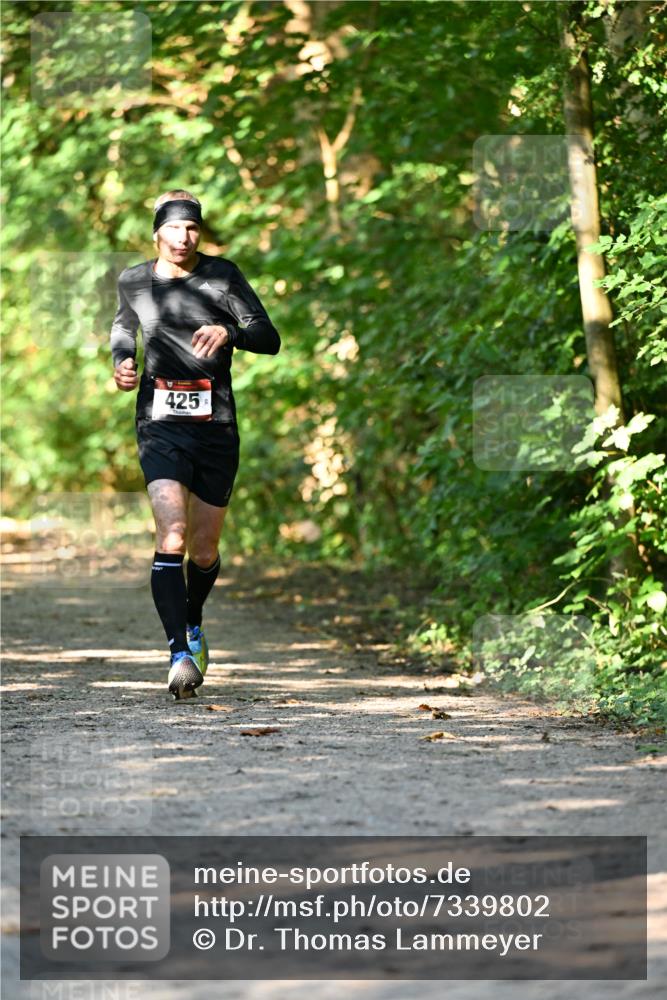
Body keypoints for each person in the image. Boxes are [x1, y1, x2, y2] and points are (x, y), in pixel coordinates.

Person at [110, 190, 280, 700]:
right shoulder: (135, 280)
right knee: (174, 536)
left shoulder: (223, 276)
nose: (183, 238)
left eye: (192, 229)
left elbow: (268, 337)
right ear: (157, 233)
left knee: (204, 551)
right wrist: (122, 360)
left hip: (216, 425)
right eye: (174, 229)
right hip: (159, 422)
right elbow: (124, 325)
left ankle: (194, 619)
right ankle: (178, 652)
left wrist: (229, 332)